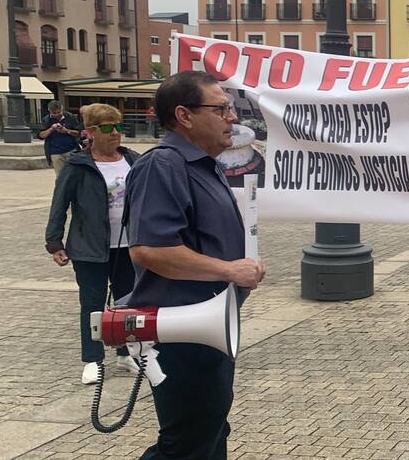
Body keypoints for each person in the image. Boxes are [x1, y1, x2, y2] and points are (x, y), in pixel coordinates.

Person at [124, 71, 266, 459]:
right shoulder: (164, 165)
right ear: (184, 115)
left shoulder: (205, 165)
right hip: (182, 329)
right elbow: (150, 250)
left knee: (209, 431)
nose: (231, 118)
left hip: (206, 326)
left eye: (230, 109)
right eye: (220, 109)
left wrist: (240, 270)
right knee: (187, 443)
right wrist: (229, 270)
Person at [45, 104, 141, 385]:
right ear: (90, 132)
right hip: (89, 247)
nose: (116, 134)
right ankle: (93, 359)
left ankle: (125, 353)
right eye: (109, 128)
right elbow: (59, 203)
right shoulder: (78, 165)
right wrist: (54, 241)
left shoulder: (133, 160)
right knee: (93, 303)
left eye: (119, 127)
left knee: (127, 301)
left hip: (127, 246)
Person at [39, 100, 82, 174]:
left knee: (74, 175)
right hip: (55, 152)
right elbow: (41, 135)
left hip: (71, 150)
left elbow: (78, 132)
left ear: (62, 109)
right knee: (60, 177)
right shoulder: (46, 120)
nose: (57, 115)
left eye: (59, 112)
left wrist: (66, 131)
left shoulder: (70, 117)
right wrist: (51, 129)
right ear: (49, 111)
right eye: (54, 113)